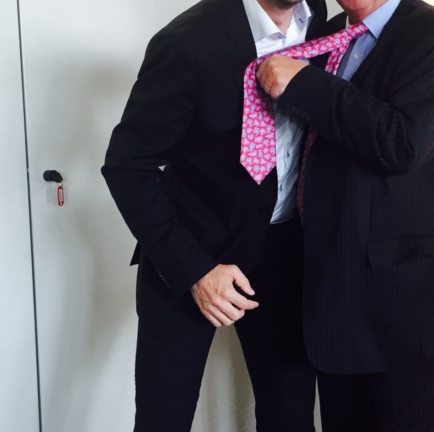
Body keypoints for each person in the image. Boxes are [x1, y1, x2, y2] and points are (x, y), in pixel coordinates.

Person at [255, 0, 434, 430]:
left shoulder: (433, 34)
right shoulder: (327, 35)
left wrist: (306, 84)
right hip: (336, 301)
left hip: (411, 308)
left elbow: (402, 143)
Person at [101, 0, 326, 429]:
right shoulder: (187, 41)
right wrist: (196, 272)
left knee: (291, 416)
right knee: (163, 419)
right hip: (191, 252)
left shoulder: (319, 20)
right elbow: (127, 167)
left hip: (284, 254)